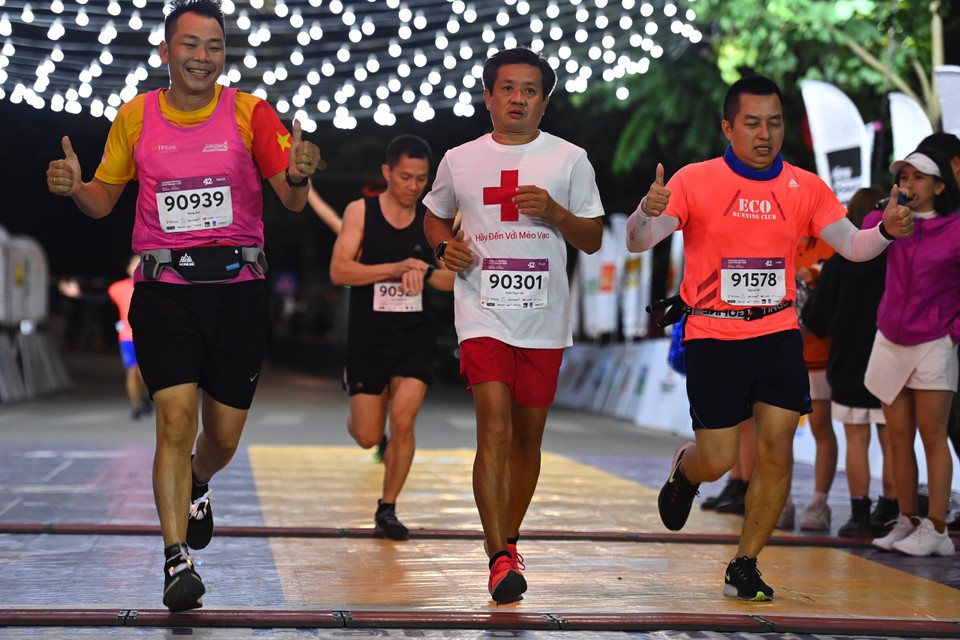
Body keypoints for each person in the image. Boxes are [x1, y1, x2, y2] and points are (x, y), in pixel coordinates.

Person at [45, 0, 324, 612]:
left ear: (225, 54)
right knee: (174, 421)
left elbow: (292, 199)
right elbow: (102, 200)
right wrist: (76, 187)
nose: (203, 56)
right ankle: (176, 561)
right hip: (165, 290)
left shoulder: (251, 112)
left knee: (220, 437)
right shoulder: (135, 116)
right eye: (190, 44)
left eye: (214, 46)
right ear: (166, 51)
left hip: (238, 292)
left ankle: (200, 478)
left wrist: (300, 174)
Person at [625, 75, 913, 601]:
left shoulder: (806, 187)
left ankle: (745, 562)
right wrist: (646, 211)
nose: (765, 134)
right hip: (713, 334)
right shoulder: (695, 180)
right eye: (752, 123)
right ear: (727, 127)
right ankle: (688, 471)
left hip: (778, 332)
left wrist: (886, 232)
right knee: (719, 458)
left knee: (776, 449)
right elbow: (639, 242)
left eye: (774, 123)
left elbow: (853, 246)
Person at [422, 46, 604, 604]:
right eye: (507, 88)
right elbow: (434, 217)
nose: (518, 98)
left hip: (543, 317)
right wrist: (443, 249)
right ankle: (497, 555)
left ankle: (510, 540)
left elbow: (592, 238)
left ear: (544, 101)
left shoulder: (570, 159)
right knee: (494, 428)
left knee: (527, 438)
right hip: (482, 311)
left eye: (530, 90)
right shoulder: (459, 159)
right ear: (488, 96)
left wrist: (555, 212)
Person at [329, 134, 454, 540]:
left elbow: (453, 280)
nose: (413, 186)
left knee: (403, 422)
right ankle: (361, 420)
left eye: (421, 178)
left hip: (414, 337)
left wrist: (426, 272)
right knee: (368, 437)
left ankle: (388, 508)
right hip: (368, 339)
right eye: (405, 177)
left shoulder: (433, 221)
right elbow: (340, 272)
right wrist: (395, 268)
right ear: (387, 172)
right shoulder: (360, 212)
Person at [864, 147, 960, 557]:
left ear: (939, 186)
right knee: (897, 438)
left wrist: (953, 332)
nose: (908, 183)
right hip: (890, 337)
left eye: (918, 177)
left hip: (935, 341)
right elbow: (863, 234)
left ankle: (937, 528)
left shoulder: (955, 228)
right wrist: (887, 212)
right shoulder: (891, 220)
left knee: (933, 435)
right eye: (903, 176)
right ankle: (907, 519)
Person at [801, 186, 899, 537]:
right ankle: (890, 510)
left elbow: (816, 319)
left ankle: (859, 515)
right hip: (891, 358)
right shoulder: (898, 259)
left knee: (856, 439)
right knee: (892, 439)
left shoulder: (839, 263)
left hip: (846, 362)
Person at [917, 132, 960, 533]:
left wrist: (951, 330)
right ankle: (923, 518)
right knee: (943, 429)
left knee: (941, 429)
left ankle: (935, 523)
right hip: (933, 341)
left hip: (943, 339)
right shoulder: (922, 217)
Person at [58, 256, 154, 420]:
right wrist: (79, 294)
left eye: (142, 264)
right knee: (132, 373)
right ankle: (136, 406)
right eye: (135, 264)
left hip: (147, 337)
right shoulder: (119, 288)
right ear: (128, 269)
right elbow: (99, 299)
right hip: (127, 337)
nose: (138, 267)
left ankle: (144, 396)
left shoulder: (152, 288)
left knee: (143, 374)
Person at [788, 236, 838, 532]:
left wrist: (817, 273)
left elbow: (839, 268)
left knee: (820, 426)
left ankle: (820, 502)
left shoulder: (832, 235)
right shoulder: (783, 231)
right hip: (780, 349)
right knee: (778, 430)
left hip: (818, 350)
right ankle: (780, 499)